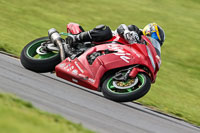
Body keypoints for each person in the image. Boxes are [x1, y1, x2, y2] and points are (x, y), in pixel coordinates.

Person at [65, 23, 165, 56]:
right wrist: (126, 32)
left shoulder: (143, 47)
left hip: (114, 52)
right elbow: (122, 27)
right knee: (105, 30)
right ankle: (76, 38)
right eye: (153, 37)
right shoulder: (136, 31)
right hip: (108, 40)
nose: (152, 40)